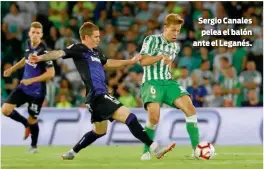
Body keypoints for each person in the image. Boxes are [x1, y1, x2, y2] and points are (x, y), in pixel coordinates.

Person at [29, 22, 175, 160]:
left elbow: (109, 62)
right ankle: (156, 148)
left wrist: (129, 62)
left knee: (99, 131)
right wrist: (40, 57)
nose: (99, 39)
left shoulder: (96, 53)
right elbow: (58, 53)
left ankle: (72, 152)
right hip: (98, 95)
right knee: (130, 117)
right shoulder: (79, 49)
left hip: (94, 98)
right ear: (86, 37)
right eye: (96, 36)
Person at [138, 14, 200, 160]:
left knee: (190, 108)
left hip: (168, 82)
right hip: (151, 82)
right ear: (165, 28)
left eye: (178, 31)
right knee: (154, 117)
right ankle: (146, 150)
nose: (176, 34)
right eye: (173, 30)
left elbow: (167, 66)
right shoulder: (151, 39)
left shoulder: (175, 46)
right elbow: (143, 62)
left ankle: (196, 150)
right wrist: (160, 57)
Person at [2, 22, 55, 153]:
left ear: (41, 35)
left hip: (37, 93)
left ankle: (33, 146)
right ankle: (25, 124)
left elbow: (51, 73)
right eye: (33, 32)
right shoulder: (27, 45)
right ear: (29, 33)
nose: (35, 35)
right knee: (5, 110)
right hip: (23, 88)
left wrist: (31, 80)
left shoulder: (45, 52)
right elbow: (25, 58)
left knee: (33, 120)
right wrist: (12, 69)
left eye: (38, 33)